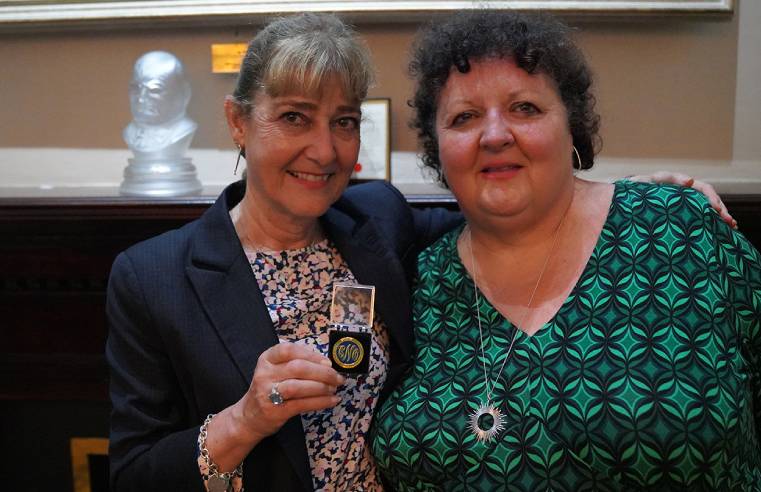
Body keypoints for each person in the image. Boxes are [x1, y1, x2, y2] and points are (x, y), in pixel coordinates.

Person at [106, 11, 736, 492]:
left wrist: (635, 199)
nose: (325, 152)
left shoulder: (375, 221)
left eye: (343, 121)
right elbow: (132, 473)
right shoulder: (154, 276)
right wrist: (243, 418)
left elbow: (507, 204)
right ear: (239, 121)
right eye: (294, 118)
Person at [370, 10, 761, 491]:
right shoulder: (414, 280)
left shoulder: (680, 230)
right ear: (438, 150)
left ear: (570, 127)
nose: (494, 135)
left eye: (525, 109)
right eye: (464, 117)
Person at [124, 50, 197, 160]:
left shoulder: (184, 131)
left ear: (184, 93)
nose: (141, 99)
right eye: (136, 89)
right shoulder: (129, 132)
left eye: (154, 90)